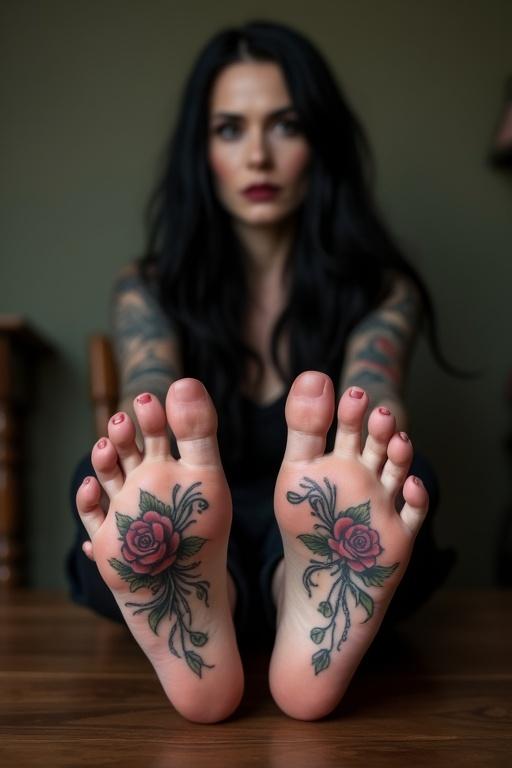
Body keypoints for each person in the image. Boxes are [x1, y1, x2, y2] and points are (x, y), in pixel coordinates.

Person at [68, 20, 454, 723]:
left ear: (320, 144)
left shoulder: (380, 290)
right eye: (228, 129)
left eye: (285, 125)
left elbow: (378, 395)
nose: (256, 155)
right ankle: (211, 594)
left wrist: (373, 462)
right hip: (199, 517)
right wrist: (147, 478)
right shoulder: (149, 287)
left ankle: (294, 591)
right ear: (201, 151)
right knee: (105, 493)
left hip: (313, 524)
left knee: (403, 481)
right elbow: (146, 398)